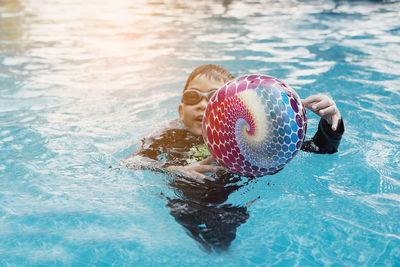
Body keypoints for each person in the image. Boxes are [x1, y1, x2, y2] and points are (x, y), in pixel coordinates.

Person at [124, 64, 344, 252]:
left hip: (234, 189)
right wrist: (175, 169)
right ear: (181, 111)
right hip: (187, 190)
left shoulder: (254, 138)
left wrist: (330, 125)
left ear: (234, 106)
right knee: (209, 240)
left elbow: (316, 150)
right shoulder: (167, 134)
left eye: (213, 97)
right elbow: (132, 162)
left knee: (219, 241)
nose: (201, 104)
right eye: (192, 97)